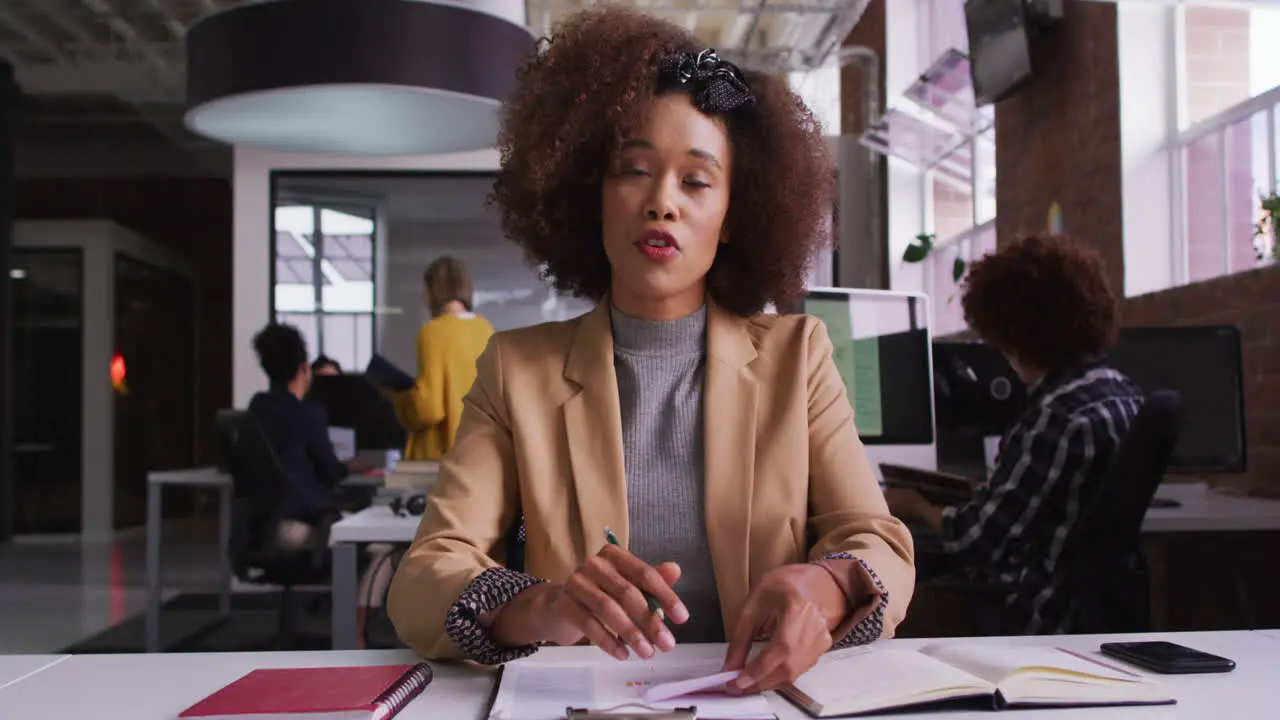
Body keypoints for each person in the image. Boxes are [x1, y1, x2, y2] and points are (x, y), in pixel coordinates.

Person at [387, 7, 914, 693]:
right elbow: (426, 576)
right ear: (589, 196)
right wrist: (539, 605)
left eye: (696, 181)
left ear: (734, 218)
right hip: (584, 705)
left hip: (756, 700)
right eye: (633, 170)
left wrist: (828, 586)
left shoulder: (798, 357)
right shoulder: (518, 370)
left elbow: (881, 546)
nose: (662, 202)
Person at [885, 234, 1144, 635]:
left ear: (1016, 334)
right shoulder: (1127, 395)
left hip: (1040, 615)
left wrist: (915, 505)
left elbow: (976, 540)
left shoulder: (1055, 417)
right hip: (1096, 613)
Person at [248, 324, 365, 523]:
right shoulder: (308, 414)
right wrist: (350, 466)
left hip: (263, 523)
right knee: (377, 546)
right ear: (304, 368)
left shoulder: (257, 406)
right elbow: (332, 471)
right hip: (305, 520)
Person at [387, 256, 494, 461]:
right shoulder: (486, 330)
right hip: (479, 453)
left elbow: (428, 408)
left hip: (441, 456)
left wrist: (398, 399)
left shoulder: (433, 332)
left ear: (431, 290)